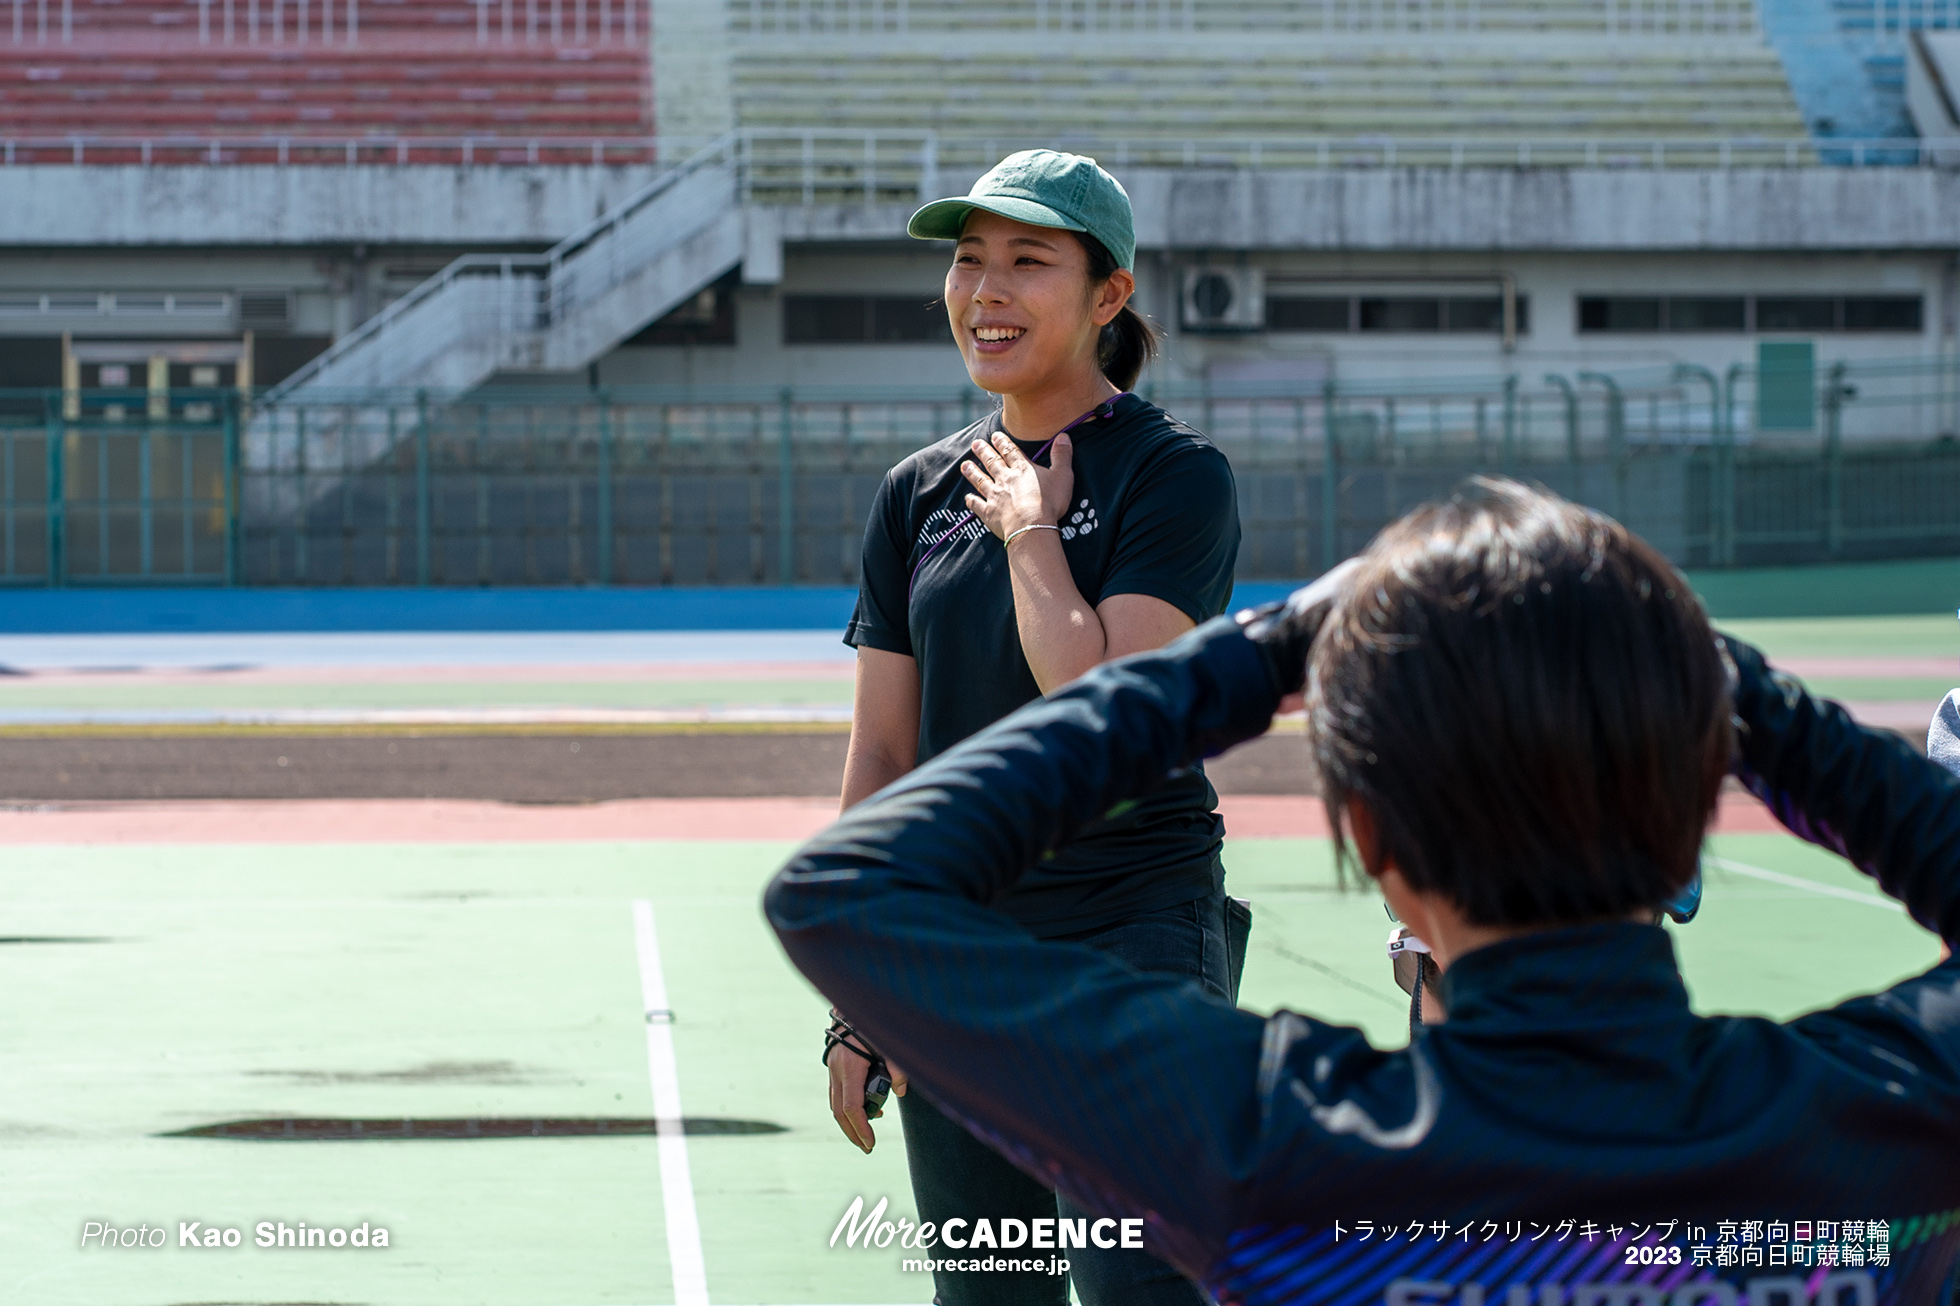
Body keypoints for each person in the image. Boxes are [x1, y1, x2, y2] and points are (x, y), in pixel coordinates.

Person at [772, 478, 1960, 1306]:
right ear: (1695, 815)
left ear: (1376, 841)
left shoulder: (1271, 1152)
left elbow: (845, 889)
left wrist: (1272, 646)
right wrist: (1714, 677)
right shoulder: (1884, 1128)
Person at [825, 149, 1242, 1306]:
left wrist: (1027, 532)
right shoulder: (916, 493)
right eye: (968, 261)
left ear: (1108, 296)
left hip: (1131, 943)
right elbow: (884, 758)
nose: (986, 290)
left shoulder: (1175, 477)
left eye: (1027, 261)